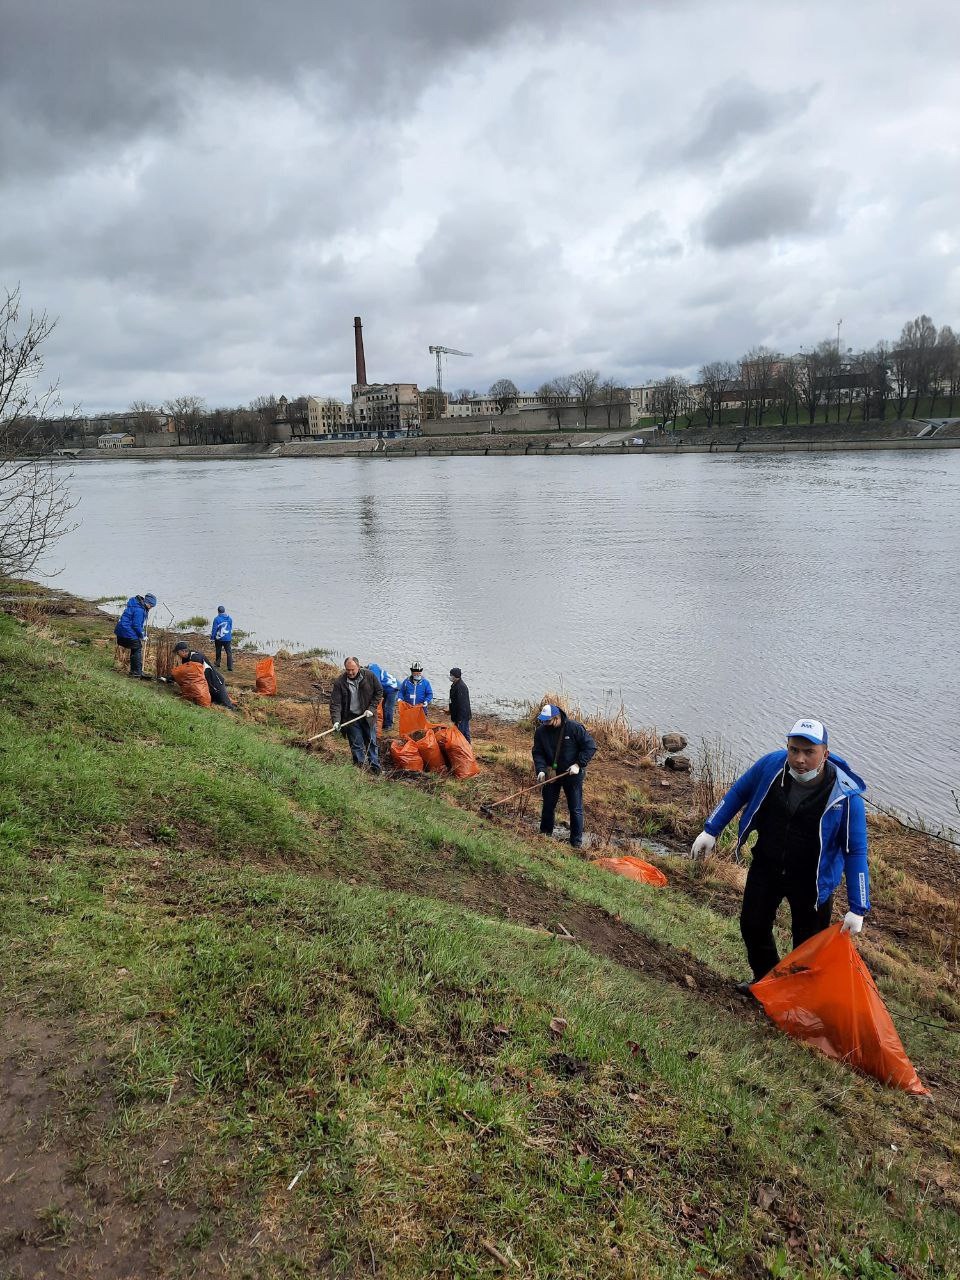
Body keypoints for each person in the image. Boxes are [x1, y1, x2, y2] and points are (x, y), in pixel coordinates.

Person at [690, 718, 870, 988]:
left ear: (825, 753)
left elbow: (855, 850)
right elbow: (739, 791)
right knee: (752, 925)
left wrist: (858, 907)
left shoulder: (845, 795)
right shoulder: (771, 765)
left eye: (809, 752)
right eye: (794, 750)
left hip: (813, 881)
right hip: (767, 863)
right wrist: (711, 830)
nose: (800, 759)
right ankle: (766, 984)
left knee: (808, 947)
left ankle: (798, 1000)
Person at [532, 703, 597, 849]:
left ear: (556, 718)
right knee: (548, 805)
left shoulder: (574, 728)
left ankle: (576, 843)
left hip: (572, 774)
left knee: (575, 808)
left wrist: (578, 765)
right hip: (552, 774)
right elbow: (538, 752)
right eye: (543, 720)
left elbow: (590, 747)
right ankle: (545, 834)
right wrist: (541, 770)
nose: (544, 723)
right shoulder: (541, 732)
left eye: (547, 721)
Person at [329, 657, 383, 772]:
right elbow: (335, 704)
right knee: (356, 744)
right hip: (351, 718)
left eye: (353, 669)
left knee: (371, 743)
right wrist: (336, 721)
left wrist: (372, 708)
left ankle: (375, 769)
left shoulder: (369, 676)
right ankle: (360, 770)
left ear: (358, 667)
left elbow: (379, 692)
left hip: (367, 717)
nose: (350, 672)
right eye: (347, 670)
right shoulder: (340, 682)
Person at [172, 641, 235, 708]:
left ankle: (237, 712)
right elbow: (185, 673)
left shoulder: (195, 657)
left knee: (227, 704)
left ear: (183, 651)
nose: (177, 655)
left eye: (177, 652)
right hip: (207, 684)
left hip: (216, 683)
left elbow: (191, 674)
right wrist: (171, 678)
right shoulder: (185, 659)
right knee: (214, 701)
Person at [114, 592, 157, 679]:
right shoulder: (139, 610)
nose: (151, 608)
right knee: (137, 648)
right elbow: (136, 625)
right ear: (147, 603)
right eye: (151, 606)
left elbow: (135, 624)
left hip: (121, 632)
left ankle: (134, 671)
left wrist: (143, 633)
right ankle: (137, 673)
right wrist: (142, 636)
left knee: (135, 648)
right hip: (126, 633)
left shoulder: (136, 606)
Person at [367, 662, 400, 731]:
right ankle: (386, 723)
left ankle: (388, 726)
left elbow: (377, 685)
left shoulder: (373, 670)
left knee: (388, 706)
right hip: (386, 688)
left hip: (392, 688)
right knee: (384, 705)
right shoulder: (370, 671)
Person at [448, 667, 472, 741]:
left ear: (455, 676)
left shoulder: (461, 687)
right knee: (460, 733)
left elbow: (463, 704)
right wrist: (450, 710)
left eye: (451, 675)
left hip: (462, 717)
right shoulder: (454, 685)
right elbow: (454, 701)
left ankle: (466, 749)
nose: (450, 676)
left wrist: (460, 718)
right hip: (457, 715)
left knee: (462, 734)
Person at [211, 605, 234, 671]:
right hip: (227, 638)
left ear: (218, 612)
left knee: (218, 650)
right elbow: (230, 628)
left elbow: (214, 629)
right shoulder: (229, 619)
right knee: (229, 652)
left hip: (219, 638)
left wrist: (212, 637)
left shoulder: (217, 619)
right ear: (224, 611)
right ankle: (230, 667)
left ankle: (217, 663)